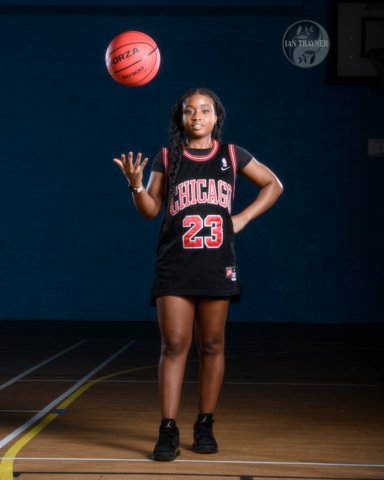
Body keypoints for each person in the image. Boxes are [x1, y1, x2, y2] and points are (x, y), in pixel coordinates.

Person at [113, 87, 283, 461]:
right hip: (175, 263)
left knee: (212, 345)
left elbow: (274, 185)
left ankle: (205, 423)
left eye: (205, 110)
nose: (197, 117)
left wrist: (244, 217)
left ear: (216, 117)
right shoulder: (166, 157)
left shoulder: (232, 155)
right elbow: (149, 210)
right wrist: (136, 184)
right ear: (181, 119)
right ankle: (168, 430)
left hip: (216, 264)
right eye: (189, 111)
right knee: (174, 345)